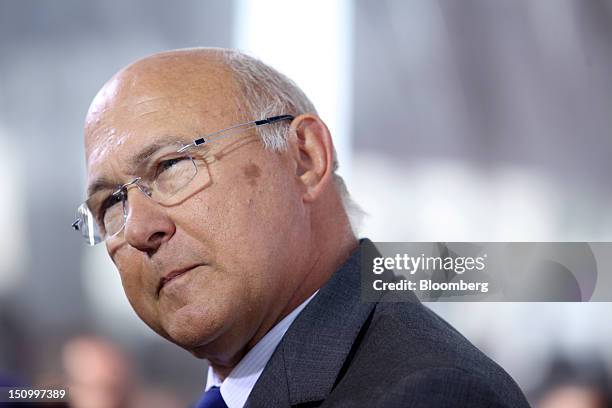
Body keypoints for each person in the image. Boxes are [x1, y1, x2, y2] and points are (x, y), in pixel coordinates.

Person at [72, 47, 530, 407]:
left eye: (170, 166)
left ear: (306, 159)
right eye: (111, 201)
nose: (138, 230)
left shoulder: (428, 393)